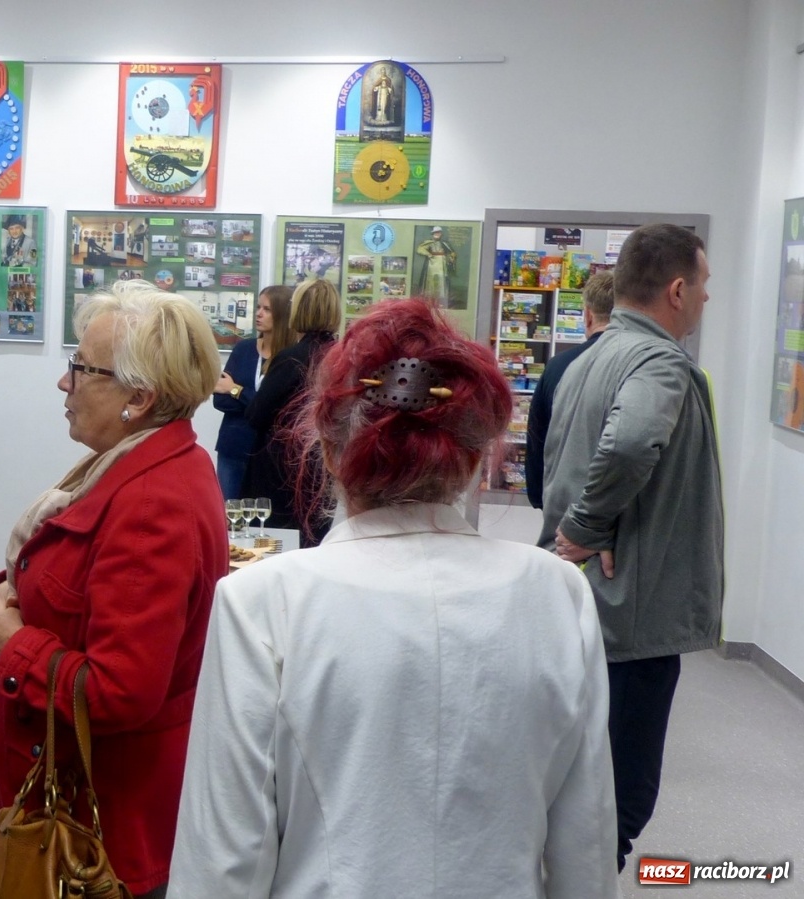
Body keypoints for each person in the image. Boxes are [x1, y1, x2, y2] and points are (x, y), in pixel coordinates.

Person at [171, 298, 617, 898]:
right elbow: (584, 843)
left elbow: (221, 860)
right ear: (472, 461)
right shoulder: (557, 593)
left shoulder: (261, 602)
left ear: (328, 453)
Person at [0, 280, 228, 898]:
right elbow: (67, 574)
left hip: (99, 822)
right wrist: (12, 592)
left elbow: (120, 691)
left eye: (81, 369)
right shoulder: (133, 467)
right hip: (88, 797)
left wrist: (14, 644)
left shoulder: (148, 504)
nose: (65, 384)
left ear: (139, 396)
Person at [539, 223, 723, 873]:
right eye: (703, 285)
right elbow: (627, 441)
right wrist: (588, 527)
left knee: (584, 790)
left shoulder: (591, 356)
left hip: (595, 605)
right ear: (678, 288)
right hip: (632, 619)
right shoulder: (662, 362)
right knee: (618, 801)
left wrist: (582, 528)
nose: (707, 298)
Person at [244, 278, 341, 544]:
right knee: (312, 544)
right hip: (323, 467)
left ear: (299, 311)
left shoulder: (293, 357)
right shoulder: (341, 357)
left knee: (273, 547)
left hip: (282, 473)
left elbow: (256, 414)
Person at [527, 271, 614, 507]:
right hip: (618, 509)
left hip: (563, 503)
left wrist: (539, 495)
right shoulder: (640, 365)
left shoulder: (558, 366)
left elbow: (538, 437)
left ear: (587, 316)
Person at [212, 285, 294, 500]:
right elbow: (221, 400)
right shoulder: (244, 349)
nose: (258, 313)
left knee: (261, 519)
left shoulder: (289, 356)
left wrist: (236, 390)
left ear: (283, 315)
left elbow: (280, 410)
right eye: (258, 307)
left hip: (269, 453)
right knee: (228, 517)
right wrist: (255, 402)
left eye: (267, 309)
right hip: (233, 447)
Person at [415, 226, 456, 302]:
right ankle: (430, 298)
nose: (437, 234)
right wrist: (428, 254)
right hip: (432, 263)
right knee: (431, 280)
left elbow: (451, 252)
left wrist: (451, 258)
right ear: (433, 233)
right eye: (436, 232)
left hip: (442, 263)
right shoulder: (429, 242)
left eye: (439, 232)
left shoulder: (444, 243)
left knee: (441, 279)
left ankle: (440, 299)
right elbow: (420, 249)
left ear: (441, 234)